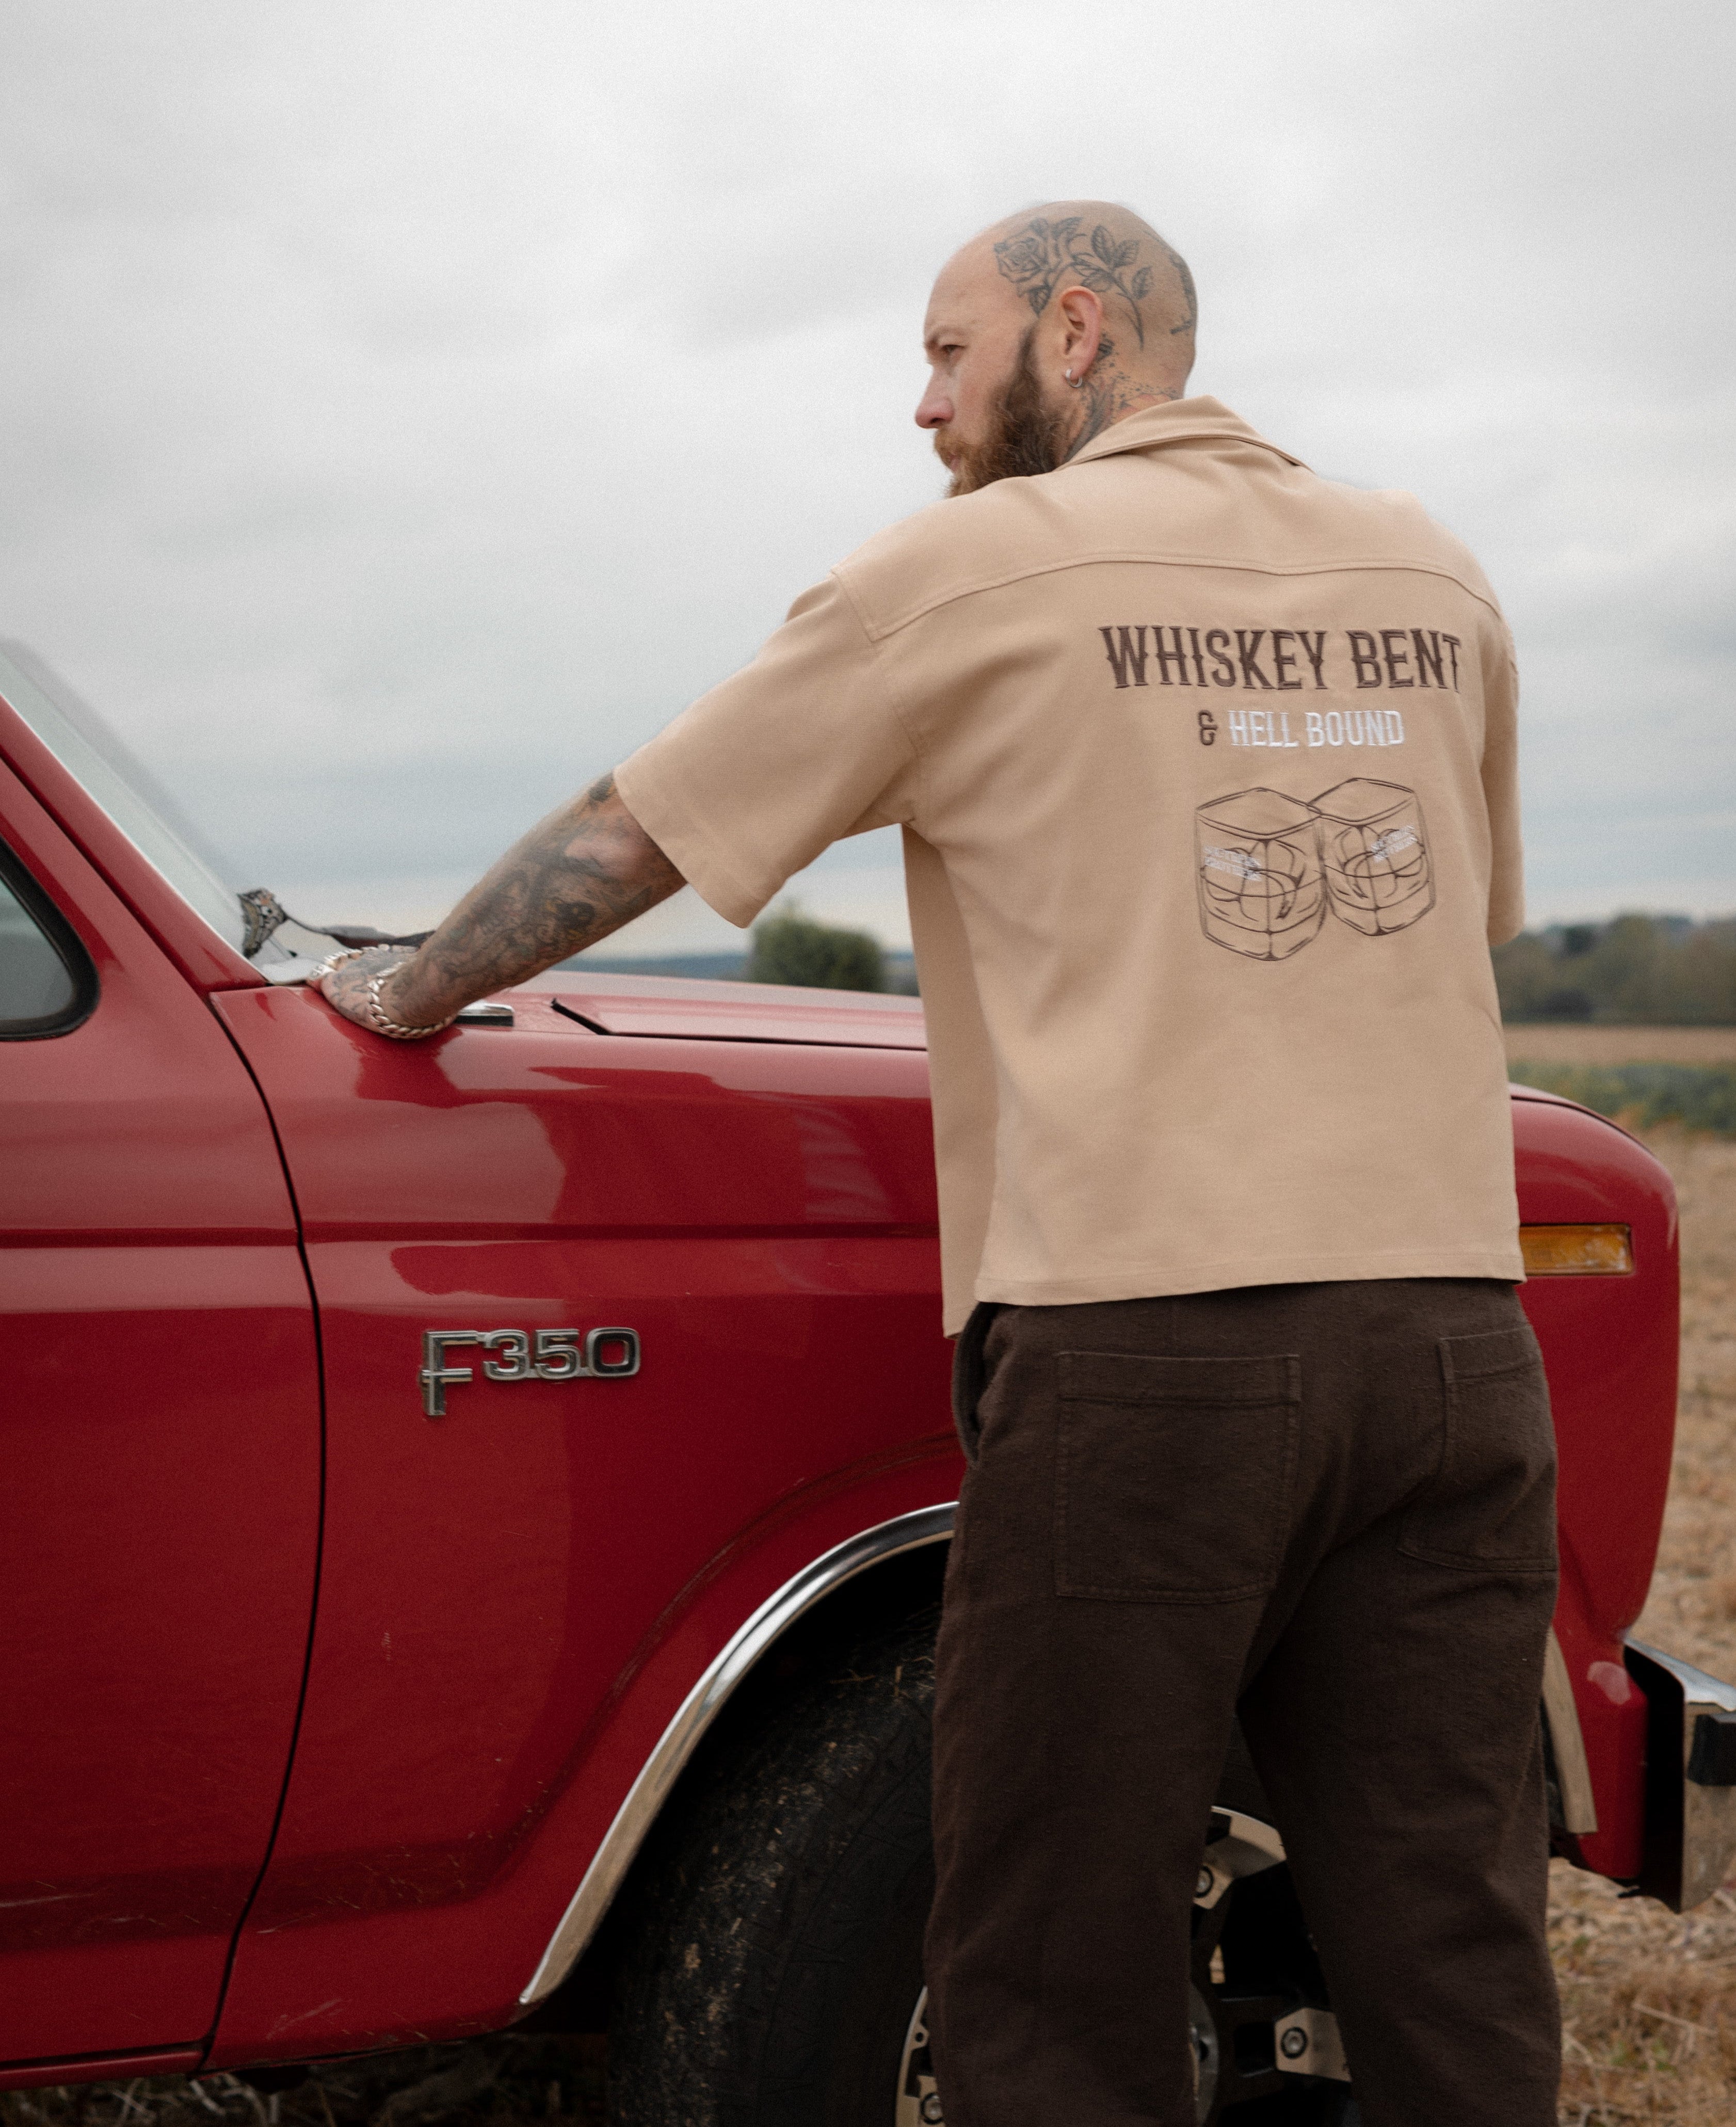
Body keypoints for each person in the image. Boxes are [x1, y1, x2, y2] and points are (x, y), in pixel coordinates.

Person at [317, 204, 1560, 2127]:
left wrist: (399, 994)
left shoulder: (969, 579)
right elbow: (1443, 926)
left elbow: (635, 831)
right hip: (1455, 1355)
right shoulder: (1434, 572)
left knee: (1056, 1951)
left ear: (1075, 332)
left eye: (946, 354)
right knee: (1445, 1924)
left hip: (1149, 1358)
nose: (922, 406)